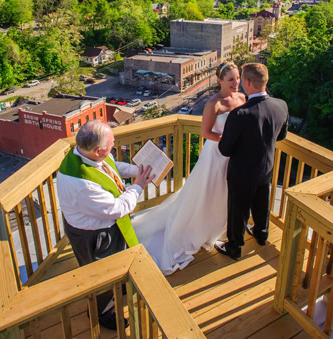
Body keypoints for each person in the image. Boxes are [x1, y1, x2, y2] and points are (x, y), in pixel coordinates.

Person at [132, 62, 245, 275]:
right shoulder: (214, 103)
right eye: (231, 79)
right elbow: (206, 133)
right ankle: (193, 230)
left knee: (224, 194)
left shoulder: (242, 99)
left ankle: (214, 228)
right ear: (220, 80)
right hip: (215, 155)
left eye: (238, 78)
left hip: (234, 157)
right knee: (205, 194)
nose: (236, 83)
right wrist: (229, 140)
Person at [56, 120, 153, 330]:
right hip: (95, 234)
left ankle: (118, 287)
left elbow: (112, 167)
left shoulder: (84, 154)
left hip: (101, 225)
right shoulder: (82, 184)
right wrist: (137, 187)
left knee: (115, 267)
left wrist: (138, 171)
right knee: (100, 277)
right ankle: (102, 313)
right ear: (98, 149)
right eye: (112, 143)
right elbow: (118, 208)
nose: (115, 144)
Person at [216, 63, 289, 260]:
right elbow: (281, 136)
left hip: (242, 171)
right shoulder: (281, 105)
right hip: (266, 167)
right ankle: (261, 233)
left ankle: (234, 246)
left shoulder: (239, 114)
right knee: (261, 201)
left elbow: (225, 149)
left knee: (238, 209)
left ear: (247, 82)